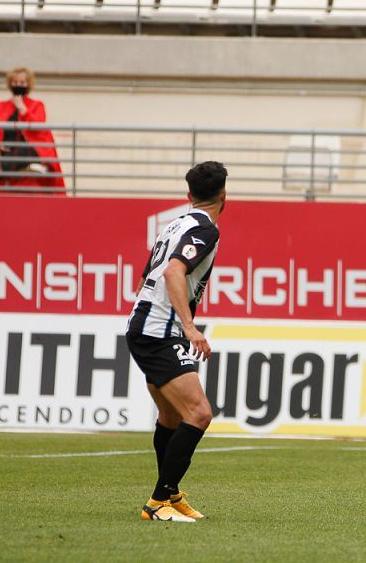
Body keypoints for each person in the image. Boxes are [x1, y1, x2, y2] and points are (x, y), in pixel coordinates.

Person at [127, 161, 227, 523]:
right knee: (198, 414)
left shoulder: (174, 223)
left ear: (189, 195)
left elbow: (147, 275)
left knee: (171, 415)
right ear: (224, 195)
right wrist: (188, 326)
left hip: (145, 325)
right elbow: (173, 270)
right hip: (159, 331)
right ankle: (157, 501)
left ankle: (169, 494)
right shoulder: (205, 229)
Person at [0, 67, 66, 194]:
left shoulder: (37, 105)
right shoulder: (1, 106)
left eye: (22, 83)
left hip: (30, 146)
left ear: (28, 84)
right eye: (15, 82)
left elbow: (38, 127)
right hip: (3, 147)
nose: (18, 85)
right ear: (10, 84)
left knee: (14, 157)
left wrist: (23, 109)